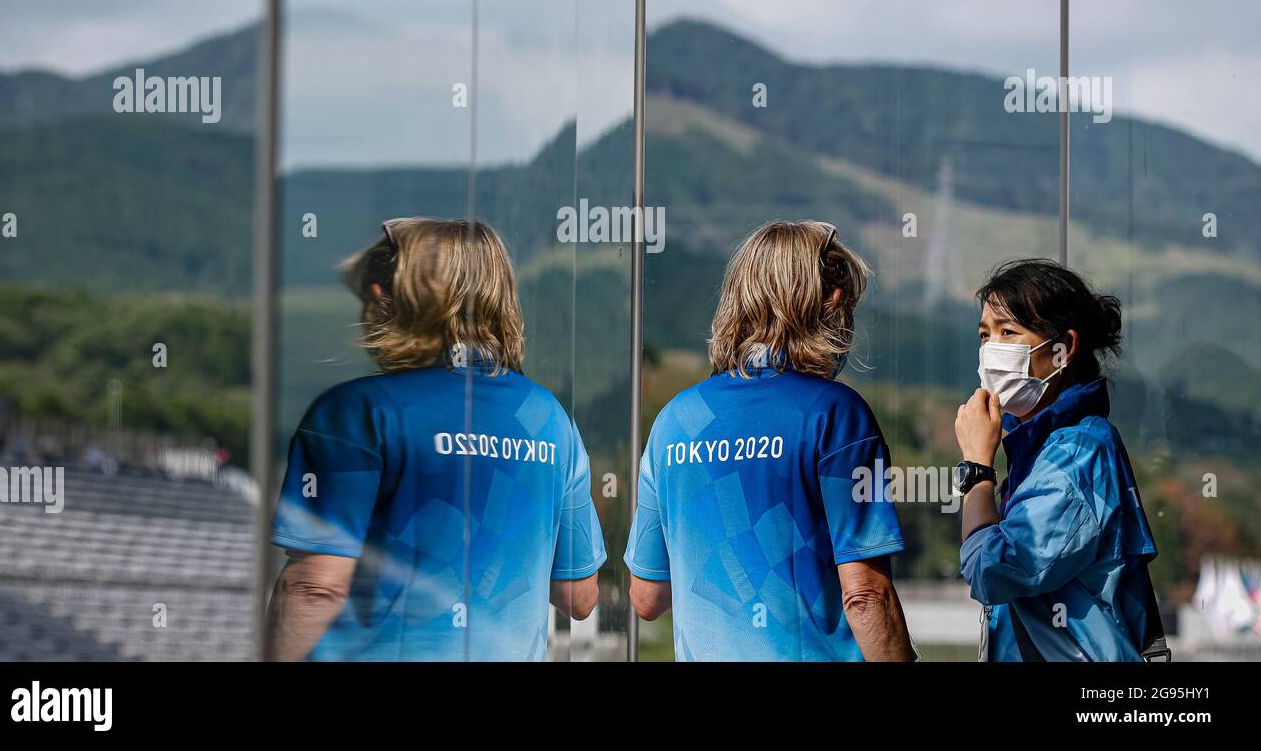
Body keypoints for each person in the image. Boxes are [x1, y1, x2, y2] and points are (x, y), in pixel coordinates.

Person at [266, 218, 606, 661]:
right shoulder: (549, 420)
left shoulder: (356, 413)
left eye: (379, 286)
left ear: (393, 300)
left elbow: (315, 585)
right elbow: (578, 595)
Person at [624, 220, 915, 661]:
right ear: (833, 302)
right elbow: (866, 596)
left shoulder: (674, 422)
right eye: (851, 308)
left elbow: (646, 597)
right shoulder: (836, 414)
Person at [954, 258, 1164, 661]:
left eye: (1008, 332)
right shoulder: (1040, 448)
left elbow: (994, 571)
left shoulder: (1077, 453)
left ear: (1061, 351)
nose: (990, 349)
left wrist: (978, 470)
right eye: (984, 335)